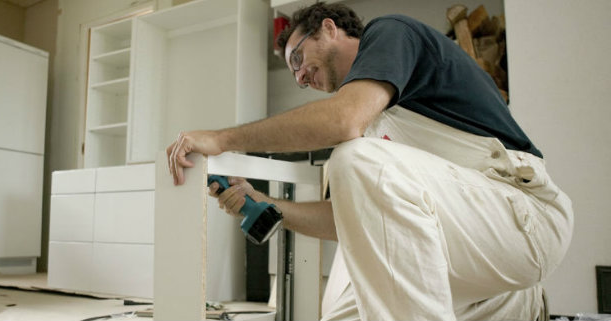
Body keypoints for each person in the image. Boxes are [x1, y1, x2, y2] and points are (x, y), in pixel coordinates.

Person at [165, 2, 573, 320]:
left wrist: (221, 139)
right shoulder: (373, 127)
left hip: (524, 220)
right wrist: (268, 207)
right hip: (480, 269)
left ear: (328, 28)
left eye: (297, 60)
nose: (300, 78)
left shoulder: (390, 33)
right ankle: (515, 307)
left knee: (354, 158)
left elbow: (344, 120)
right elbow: (353, 217)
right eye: (294, 74)